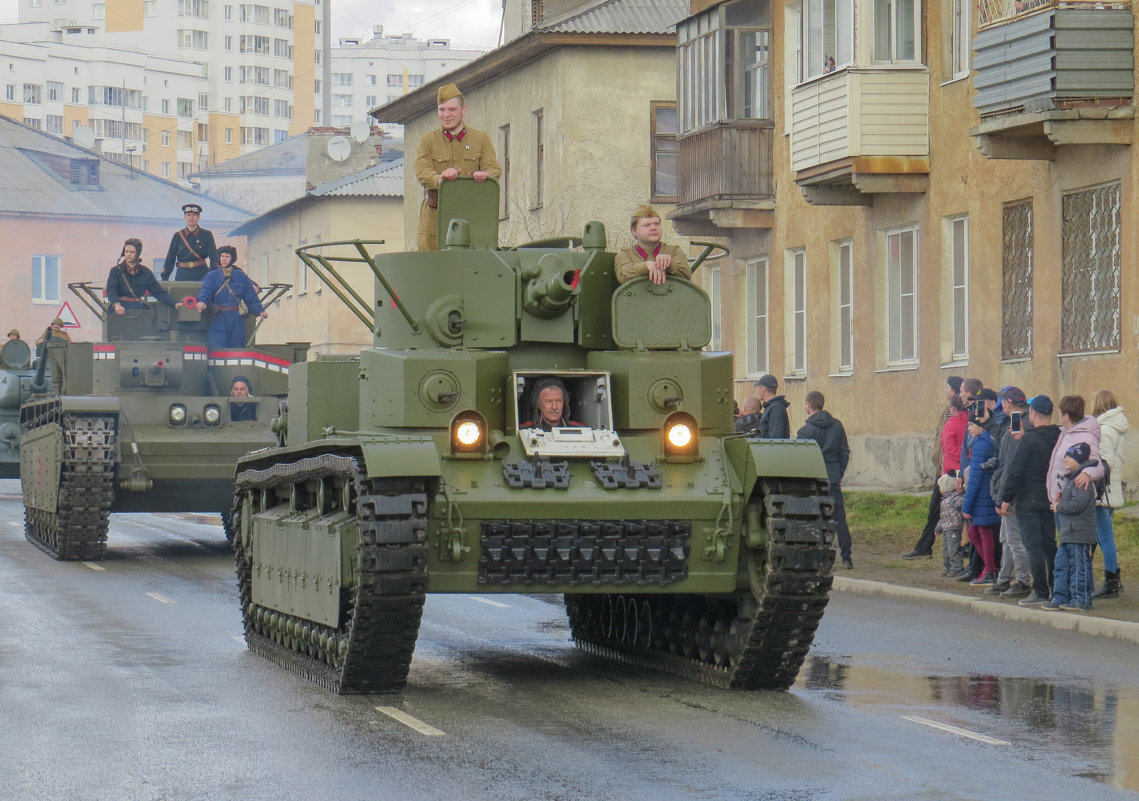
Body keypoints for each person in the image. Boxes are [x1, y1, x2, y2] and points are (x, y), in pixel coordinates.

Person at [413, 82, 501, 252]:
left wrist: (484, 175)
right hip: (435, 218)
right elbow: (422, 171)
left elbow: (494, 170)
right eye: (442, 109)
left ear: (463, 110)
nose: (446, 115)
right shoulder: (428, 141)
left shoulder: (481, 139)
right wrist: (439, 179)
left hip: (471, 216)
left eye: (452, 110)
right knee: (432, 269)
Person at [999, 395, 1061, 606]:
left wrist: (1006, 498)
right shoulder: (1059, 437)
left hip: (1028, 499)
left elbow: (1015, 471)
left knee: (1033, 545)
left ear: (1033, 413)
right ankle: (1055, 587)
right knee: (1050, 544)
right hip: (1051, 497)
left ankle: (1040, 590)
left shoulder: (1028, 440)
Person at [903, 376, 966, 559]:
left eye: (947, 387)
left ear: (953, 391)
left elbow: (950, 443)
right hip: (944, 467)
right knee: (938, 509)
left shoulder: (955, 416)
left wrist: (949, 466)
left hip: (950, 470)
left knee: (938, 508)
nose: (945, 390)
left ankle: (927, 547)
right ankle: (927, 546)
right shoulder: (947, 412)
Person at [797, 390, 852, 569]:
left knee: (815, 519)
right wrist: (840, 473)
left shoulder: (805, 431)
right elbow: (845, 451)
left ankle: (819, 557)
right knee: (839, 519)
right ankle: (846, 557)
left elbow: (801, 458)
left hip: (813, 478)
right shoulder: (837, 425)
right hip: (833, 476)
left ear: (808, 404)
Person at [988, 387, 1033, 598]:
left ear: (1007, 403)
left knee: (1014, 539)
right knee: (1006, 538)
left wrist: (1003, 495)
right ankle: (1004, 578)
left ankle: (1023, 580)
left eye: (1002, 403)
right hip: (1011, 490)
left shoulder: (1017, 422)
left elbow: (1010, 465)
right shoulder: (1020, 421)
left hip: (1013, 493)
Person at [1046, 442, 1098, 612]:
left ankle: (1081, 599)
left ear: (1079, 458)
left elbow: (1078, 504)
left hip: (1079, 533)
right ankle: (1060, 596)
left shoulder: (1081, 480)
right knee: (1061, 564)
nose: (1066, 459)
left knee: (1078, 567)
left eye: (1070, 456)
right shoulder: (1071, 479)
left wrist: (1059, 507)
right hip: (1068, 532)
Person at [1091, 389, 1127, 598]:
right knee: (1106, 536)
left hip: (1103, 491)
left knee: (1105, 538)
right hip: (1111, 489)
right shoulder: (1116, 427)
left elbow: (1104, 462)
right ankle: (1115, 578)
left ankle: (1112, 579)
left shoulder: (1105, 430)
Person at [195, 246, 267, 349]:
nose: (223, 259)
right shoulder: (211, 276)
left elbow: (250, 297)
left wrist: (260, 311)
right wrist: (201, 302)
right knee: (217, 348)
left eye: (227, 257)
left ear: (232, 259)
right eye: (222, 256)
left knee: (236, 347)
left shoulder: (241, 277)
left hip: (235, 318)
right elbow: (205, 291)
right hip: (218, 317)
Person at [961, 414, 1000, 584]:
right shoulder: (987, 443)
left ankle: (990, 569)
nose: (968, 429)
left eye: (971, 425)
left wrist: (966, 507)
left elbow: (975, 478)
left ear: (980, 427)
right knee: (975, 532)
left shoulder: (980, 446)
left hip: (981, 497)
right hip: (987, 495)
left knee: (981, 532)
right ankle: (989, 567)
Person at [614, 204, 692, 285]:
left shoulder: (674, 251)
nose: (654, 228)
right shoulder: (626, 254)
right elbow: (622, 274)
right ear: (634, 230)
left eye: (657, 224)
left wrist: (669, 264)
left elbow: (687, 274)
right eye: (647, 225)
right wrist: (646, 266)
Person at [106, 238, 179, 315]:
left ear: (137, 253)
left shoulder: (145, 272)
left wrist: (175, 304)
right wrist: (117, 305)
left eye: (132, 252)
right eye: (126, 251)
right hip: (119, 311)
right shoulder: (116, 271)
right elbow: (111, 290)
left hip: (137, 310)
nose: (128, 254)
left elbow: (158, 292)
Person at [161, 203, 219, 280]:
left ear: (198, 217)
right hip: (182, 275)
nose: (191, 218)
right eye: (188, 215)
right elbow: (170, 259)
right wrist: (165, 277)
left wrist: (214, 277)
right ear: (184, 217)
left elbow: (214, 258)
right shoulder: (177, 236)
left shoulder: (207, 235)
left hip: (201, 275)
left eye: (194, 215)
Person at [935, 472, 965, 579]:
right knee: (945, 549)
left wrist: (961, 492)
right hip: (945, 528)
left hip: (954, 527)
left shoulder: (956, 498)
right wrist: (938, 527)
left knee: (953, 549)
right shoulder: (944, 501)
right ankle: (947, 567)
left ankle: (957, 567)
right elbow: (943, 517)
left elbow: (962, 504)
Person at [754, 374, 790, 438]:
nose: (758, 391)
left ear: (763, 389)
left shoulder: (776, 408)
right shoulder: (771, 407)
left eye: (759, 388)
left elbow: (775, 438)